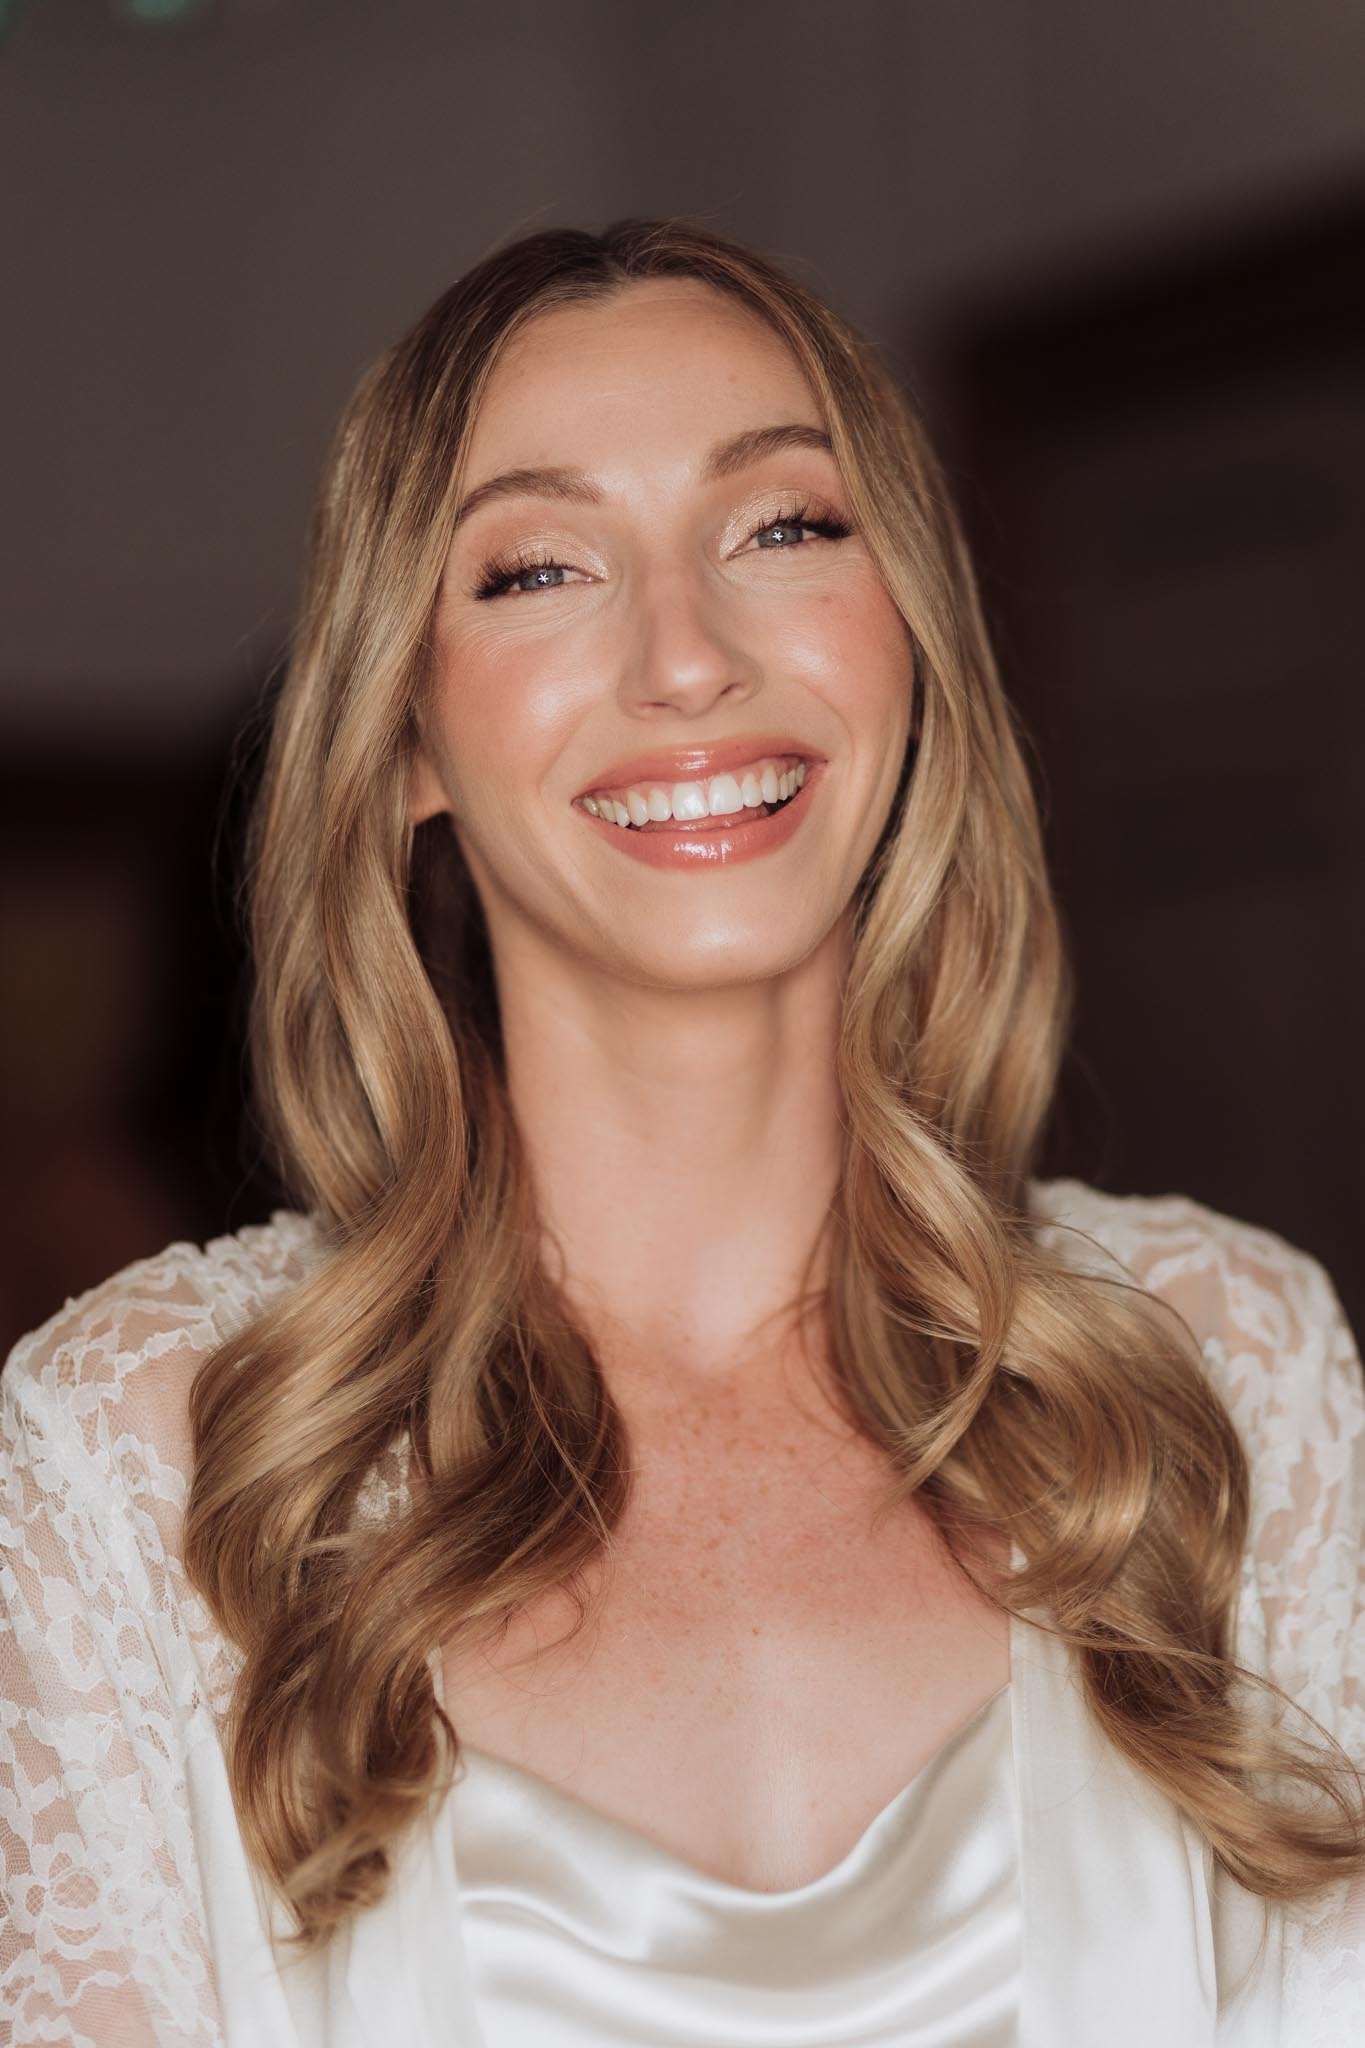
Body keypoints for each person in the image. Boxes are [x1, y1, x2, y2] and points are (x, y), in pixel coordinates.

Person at [2, 218, 1362, 2048]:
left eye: (782, 527)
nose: (686, 656)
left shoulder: (1233, 1369)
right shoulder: (143, 1461)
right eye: (539, 566)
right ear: (404, 733)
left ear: (910, 643)